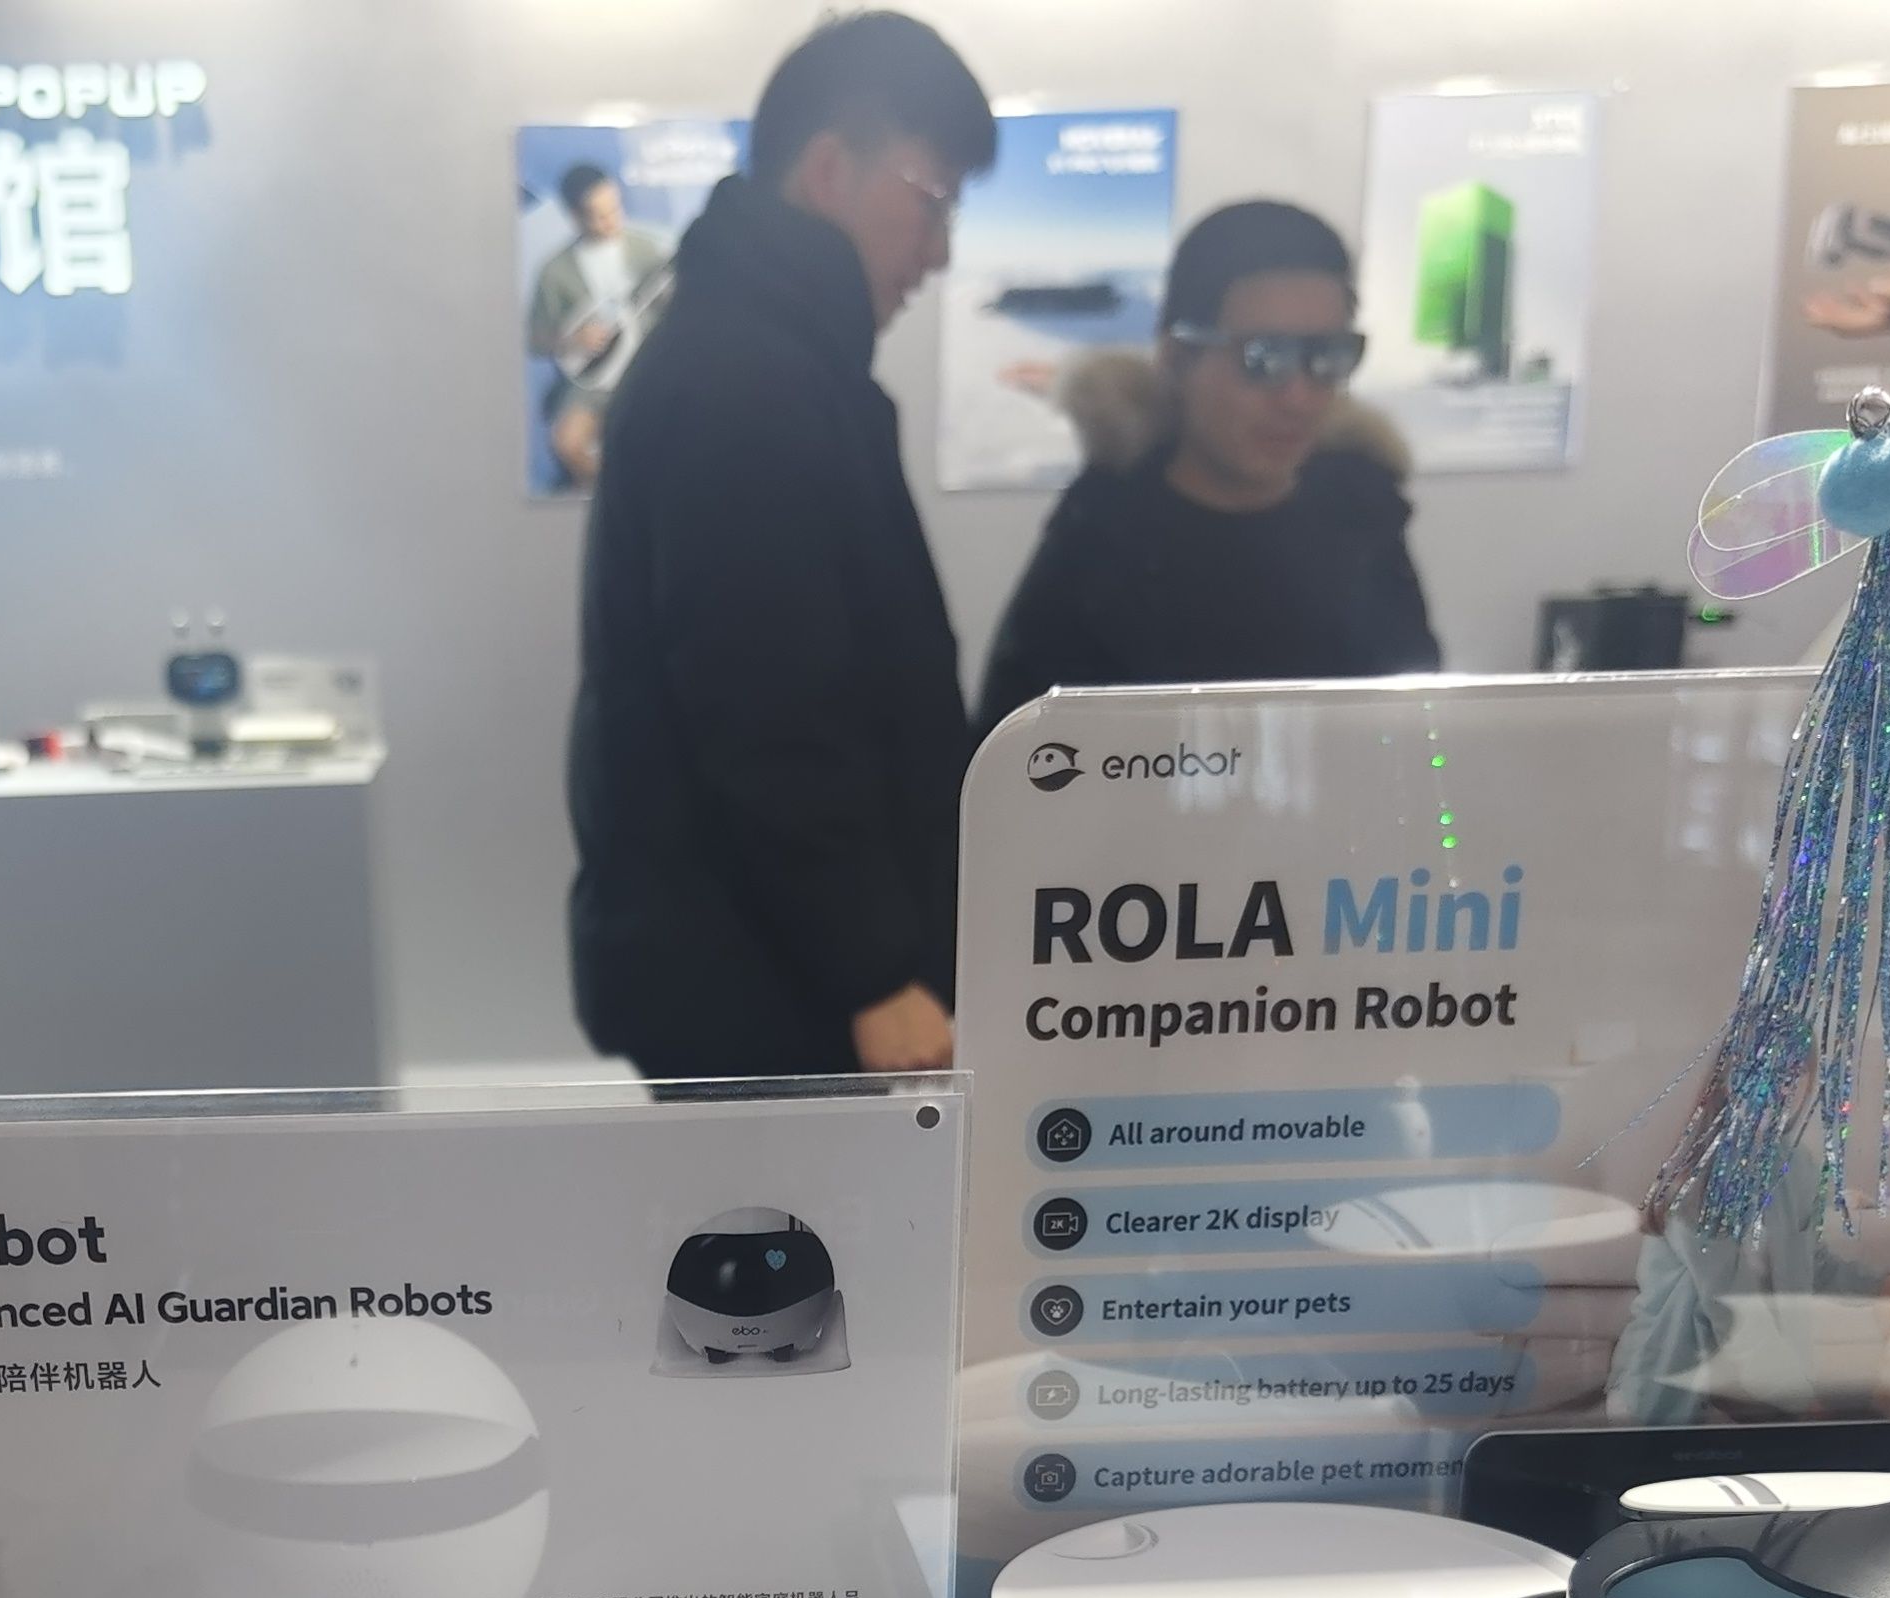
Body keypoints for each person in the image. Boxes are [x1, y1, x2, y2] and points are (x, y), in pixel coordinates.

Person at [567, 12, 993, 1085]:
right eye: (932, 202)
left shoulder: (768, 360)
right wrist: (874, 974)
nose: (939, 254)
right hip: (771, 990)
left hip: (761, 967)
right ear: (829, 169)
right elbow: (769, 710)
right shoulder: (745, 384)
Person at [977, 200, 1438, 729]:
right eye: (1264, 357)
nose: (1300, 397)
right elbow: (1017, 759)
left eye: (1329, 356)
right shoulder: (1101, 539)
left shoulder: (1362, 516)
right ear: (1178, 359)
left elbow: (1423, 735)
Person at [527, 162, 676, 490]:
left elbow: (679, 314)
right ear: (575, 217)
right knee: (567, 443)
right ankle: (615, 497)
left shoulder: (649, 250)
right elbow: (534, 339)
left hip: (647, 373)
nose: (613, 220)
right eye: (600, 215)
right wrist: (570, 340)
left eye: (615, 208)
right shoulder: (554, 272)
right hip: (592, 385)